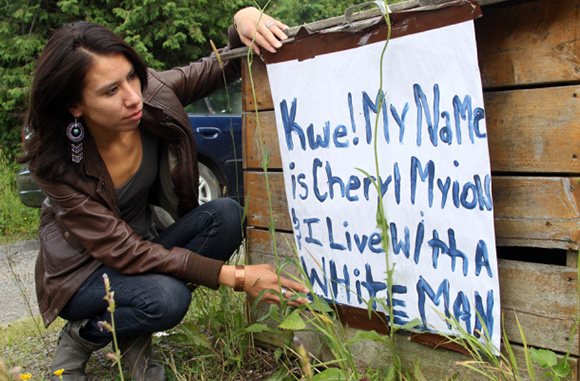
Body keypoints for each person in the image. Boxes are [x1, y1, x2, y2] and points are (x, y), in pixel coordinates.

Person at [21, 7, 308, 381]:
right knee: (168, 298)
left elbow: (217, 67)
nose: (133, 97)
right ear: (75, 105)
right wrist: (236, 276)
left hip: (141, 249)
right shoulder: (56, 164)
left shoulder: (152, 95)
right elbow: (121, 250)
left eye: (131, 78)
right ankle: (84, 333)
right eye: (110, 90)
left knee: (224, 215)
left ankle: (134, 330)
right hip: (82, 275)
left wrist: (243, 20)